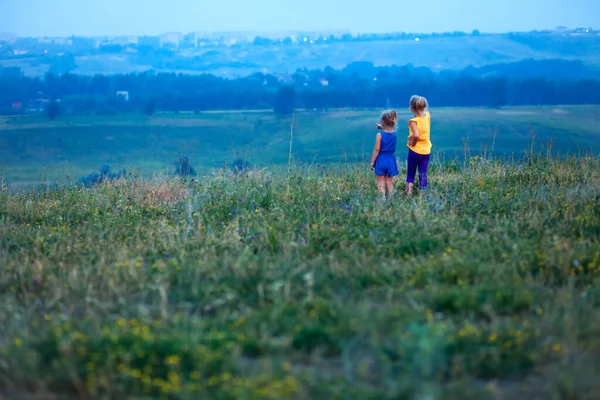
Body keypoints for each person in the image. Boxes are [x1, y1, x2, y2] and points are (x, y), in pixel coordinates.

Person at [406, 95, 432, 194]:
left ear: (412, 107)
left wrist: (412, 143)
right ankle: (423, 194)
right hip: (426, 150)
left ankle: (408, 193)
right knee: (423, 173)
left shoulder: (413, 121)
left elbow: (416, 134)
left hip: (415, 150)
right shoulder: (427, 116)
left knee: (411, 173)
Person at [370, 110, 399, 199]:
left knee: (380, 183)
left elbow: (377, 149)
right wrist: (382, 127)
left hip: (381, 160)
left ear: (382, 122)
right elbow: (389, 131)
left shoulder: (379, 135)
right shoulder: (394, 134)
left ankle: (382, 201)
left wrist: (372, 161)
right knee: (389, 183)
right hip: (390, 160)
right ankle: (392, 200)